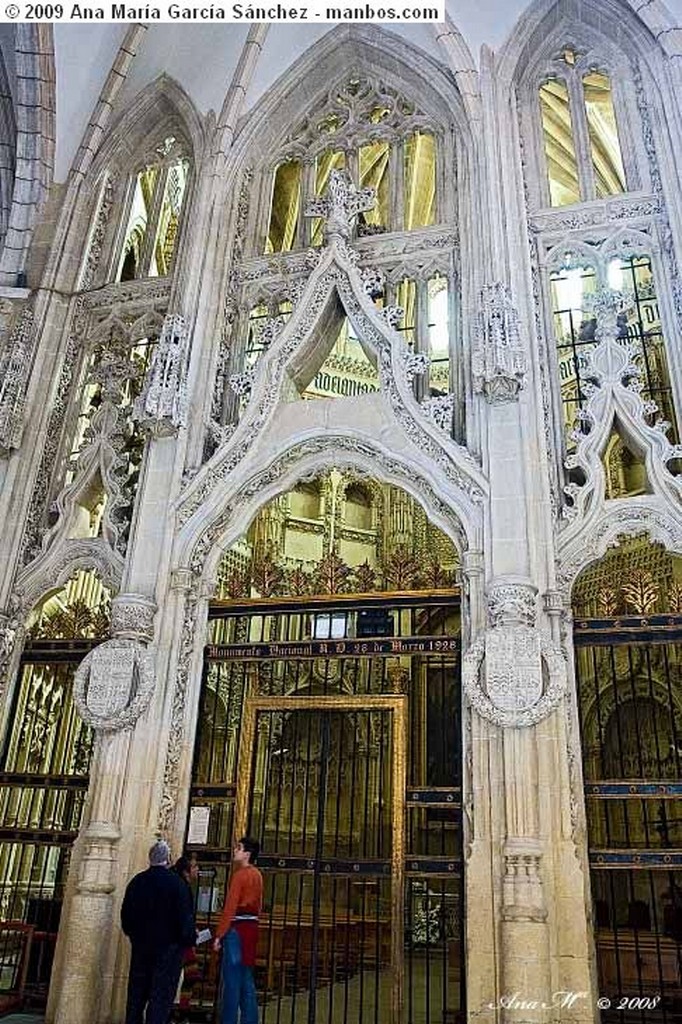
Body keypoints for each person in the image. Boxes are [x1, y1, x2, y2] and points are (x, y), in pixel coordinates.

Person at [121, 839, 196, 1024]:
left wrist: (135, 936)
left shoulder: (137, 881)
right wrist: (188, 939)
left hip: (141, 947)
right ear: (168, 859)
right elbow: (184, 919)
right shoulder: (177, 884)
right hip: (169, 950)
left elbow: (126, 916)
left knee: (137, 995)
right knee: (161, 997)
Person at [213, 837, 263, 1024]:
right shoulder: (257, 875)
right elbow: (258, 908)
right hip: (251, 930)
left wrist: (219, 935)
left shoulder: (240, 875)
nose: (235, 851)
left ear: (247, 854)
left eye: (239, 848)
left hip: (236, 931)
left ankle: (229, 1020)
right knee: (246, 980)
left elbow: (230, 907)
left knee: (231, 982)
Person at [171, 856, 202, 1015]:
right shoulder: (182, 888)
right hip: (181, 940)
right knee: (190, 974)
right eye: (195, 867)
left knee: (191, 974)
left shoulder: (185, 887)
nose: (198, 870)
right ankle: (180, 1009)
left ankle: (182, 1007)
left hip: (185, 938)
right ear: (186, 871)